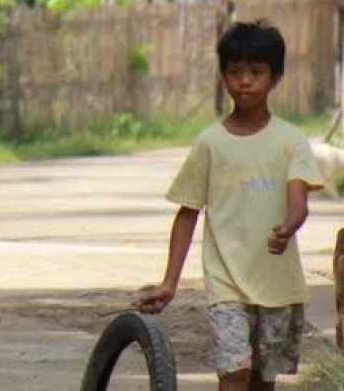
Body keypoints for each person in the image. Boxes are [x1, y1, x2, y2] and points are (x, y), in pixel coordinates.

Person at [137, 21, 323, 391]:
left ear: (275, 78)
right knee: (235, 372)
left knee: (263, 380)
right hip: (226, 284)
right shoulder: (210, 143)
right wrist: (169, 282)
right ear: (223, 76)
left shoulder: (290, 141)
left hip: (276, 284)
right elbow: (188, 212)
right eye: (235, 71)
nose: (245, 81)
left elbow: (298, 201)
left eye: (256, 72)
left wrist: (288, 227)